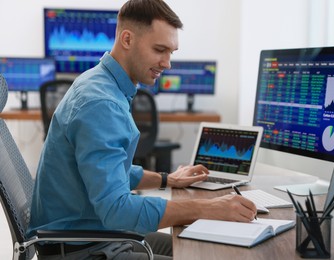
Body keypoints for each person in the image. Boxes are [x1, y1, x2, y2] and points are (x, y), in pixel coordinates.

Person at [27, 0, 257, 259]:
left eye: (171, 52)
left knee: (202, 247)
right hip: (84, 248)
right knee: (205, 253)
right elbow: (117, 209)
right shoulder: (101, 103)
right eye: (160, 50)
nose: (168, 63)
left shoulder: (101, 84)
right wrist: (208, 208)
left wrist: (165, 179)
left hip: (91, 235)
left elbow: (110, 170)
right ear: (127, 39)